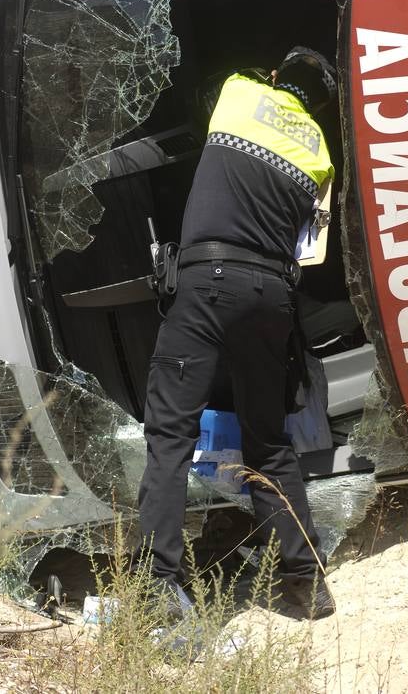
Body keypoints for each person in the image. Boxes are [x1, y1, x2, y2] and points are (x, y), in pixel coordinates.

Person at [138, 47, 337, 619]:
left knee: (170, 434)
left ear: (277, 77)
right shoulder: (321, 152)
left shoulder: (240, 94)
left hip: (208, 282)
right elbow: (310, 242)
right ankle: (309, 583)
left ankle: (159, 586)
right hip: (271, 295)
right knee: (268, 443)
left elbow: (235, 76)